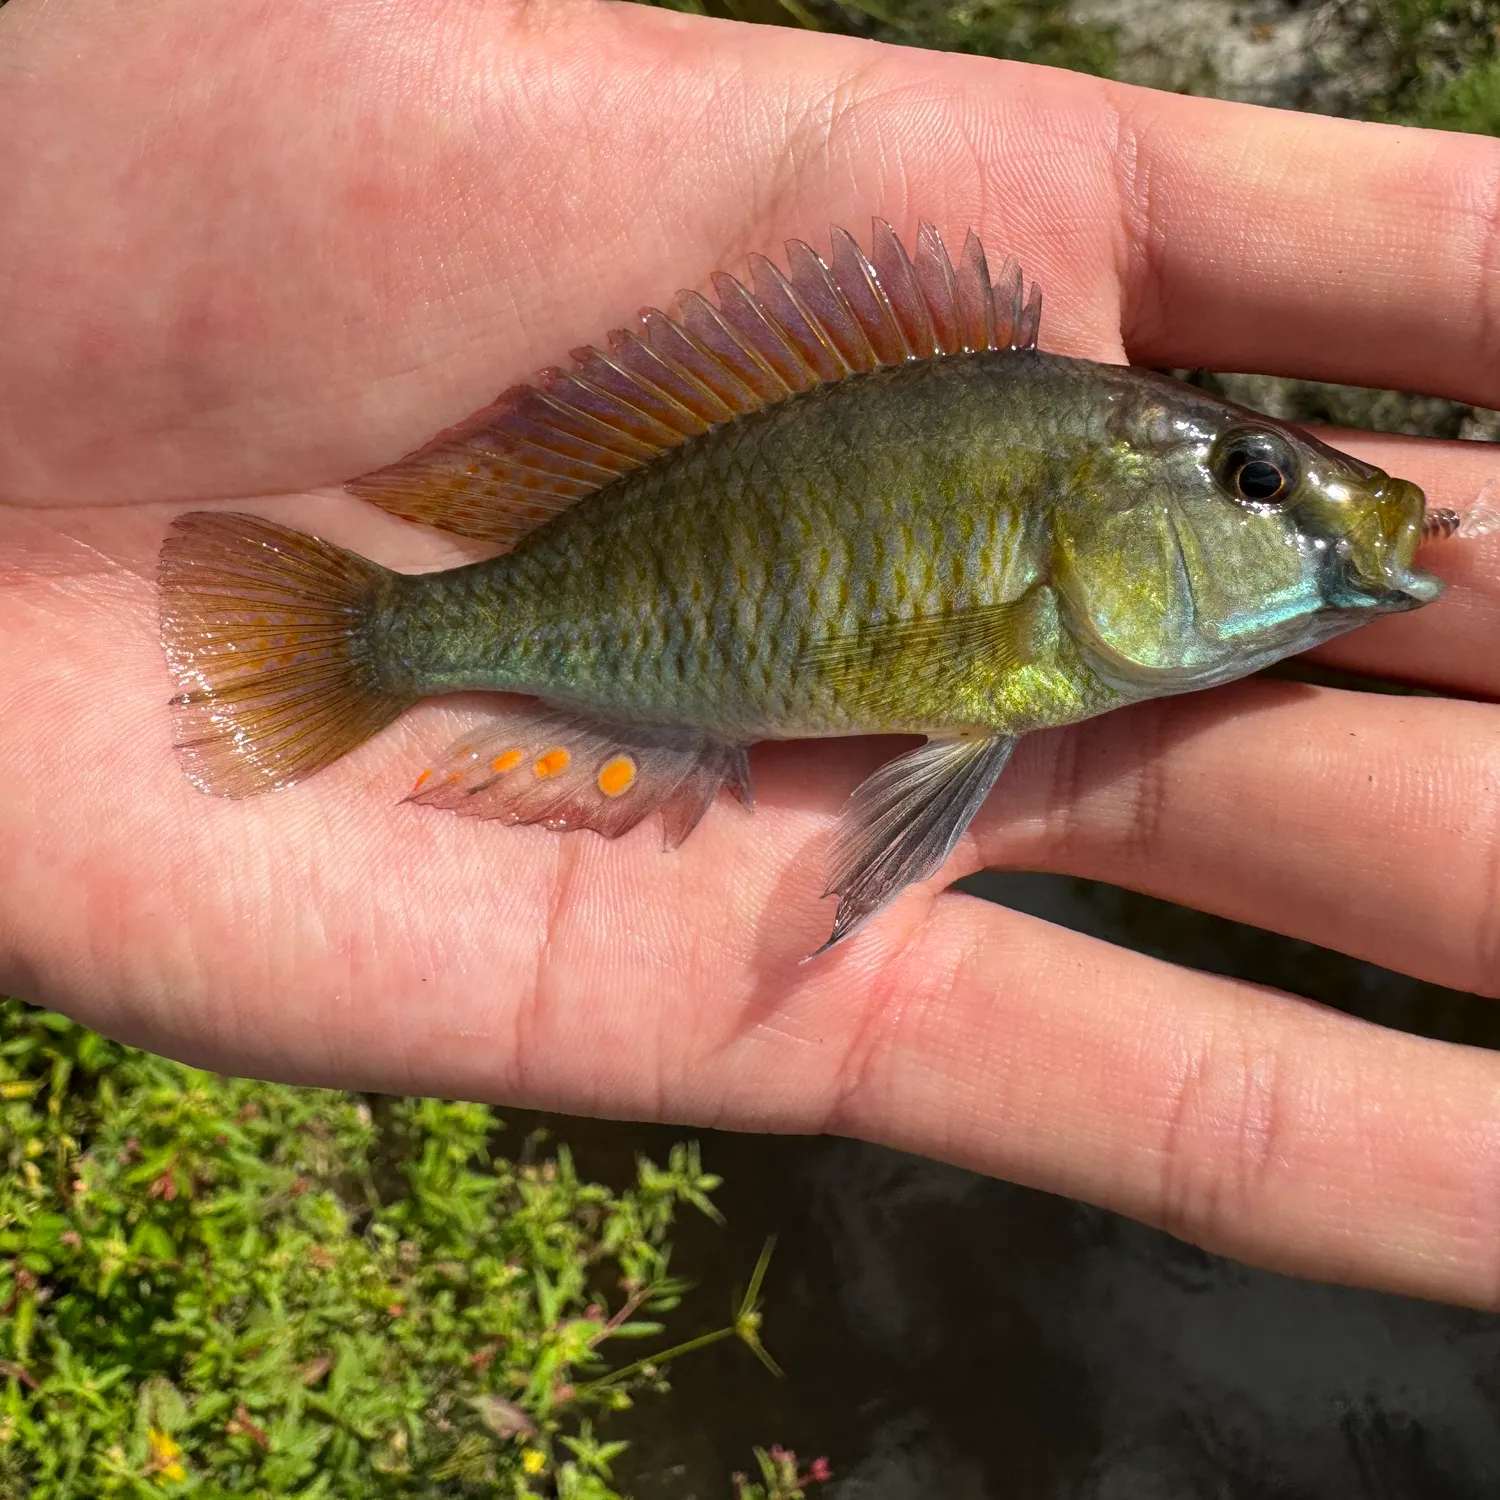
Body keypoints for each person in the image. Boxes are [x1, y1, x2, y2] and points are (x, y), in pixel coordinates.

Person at [3, 0, 1499, 1310]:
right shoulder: (1030, 601)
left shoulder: (1049, 584)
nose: (1291, 505)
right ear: (1111, 520)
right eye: (1255, 480)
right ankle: (375, 642)